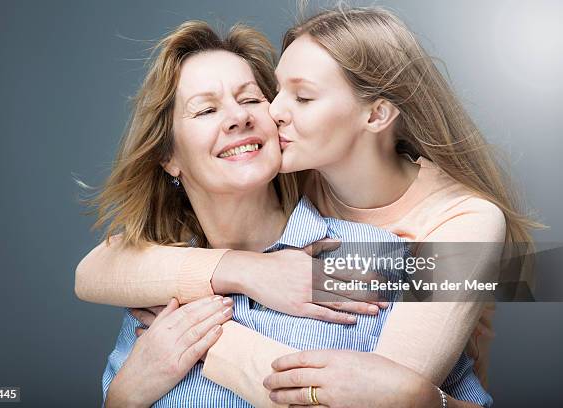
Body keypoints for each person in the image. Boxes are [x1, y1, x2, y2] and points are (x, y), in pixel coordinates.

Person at [81, 19, 493, 408]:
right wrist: (123, 397)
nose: (252, 115)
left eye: (251, 99)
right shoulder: (155, 287)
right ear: (168, 156)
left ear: (375, 115)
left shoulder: (407, 254)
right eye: (206, 110)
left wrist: (210, 341)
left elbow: (386, 396)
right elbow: (90, 272)